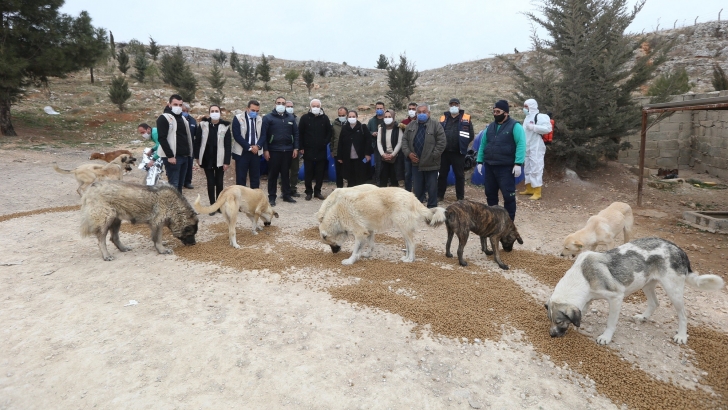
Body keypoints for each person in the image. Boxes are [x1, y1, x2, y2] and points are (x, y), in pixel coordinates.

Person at [476, 100, 525, 221]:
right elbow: (483, 144)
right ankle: (494, 220)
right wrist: (480, 161)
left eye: (498, 111)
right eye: (494, 111)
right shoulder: (490, 127)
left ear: (506, 113)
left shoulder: (515, 126)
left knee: (508, 196)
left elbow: (521, 144)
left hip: (506, 167)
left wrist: (518, 163)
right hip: (490, 166)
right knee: (490, 195)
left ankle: (508, 222)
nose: (495, 114)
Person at [401, 103, 446, 208]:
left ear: (429, 113)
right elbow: (404, 141)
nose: (421, 114)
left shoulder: (436, 125)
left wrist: (433, 155)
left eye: (424, 112)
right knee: (417, 189)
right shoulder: (411, 125)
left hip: (431, 164)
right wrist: (409, 154)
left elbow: (442, 142)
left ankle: (432, 209)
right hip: (416, 164)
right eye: (419, 112)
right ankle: (419, 210)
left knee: (432, 189)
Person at [261, 96, 299, 206]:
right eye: (279, 103)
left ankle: (286, 194)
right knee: (273, 174)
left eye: (283, 103)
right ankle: (272, 197)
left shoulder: (290, 118)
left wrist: (295, 148)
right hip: (273, 151)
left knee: (285, 174)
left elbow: (296, 134)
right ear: (275, 104)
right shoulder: (268, 118)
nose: (281, 105)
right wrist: (266, 150)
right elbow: (264, 135)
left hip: (287, 150)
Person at [194, 105, 231, 215]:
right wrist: (197, 157)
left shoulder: (225, 126)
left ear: (220, 113)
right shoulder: (202, 125)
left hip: (220, 158)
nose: (215, 112)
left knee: (219, 183)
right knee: (210, 182)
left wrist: (226, 161)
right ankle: (212, 206)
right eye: (212, 111)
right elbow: (197, 142)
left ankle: (219, 206)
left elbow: (228, 145)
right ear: (209, 112)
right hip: (206, 158)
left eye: (216, 111)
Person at [437, 98, 474, 201]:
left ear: (459, 106)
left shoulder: (466, 118)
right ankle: (439, 196)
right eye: (452, 104)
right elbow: (438, 133)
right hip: (444, 152)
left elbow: (471, 135)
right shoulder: (443, 118)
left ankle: (460, 197)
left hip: (459, 152)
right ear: (449, 106)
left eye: (456, 104)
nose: (454, 106)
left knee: (459, 175)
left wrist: (463, 144)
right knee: (442, 175)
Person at [156, 94, 193, 192]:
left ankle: (178, 206)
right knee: (174, 186)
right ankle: (171, 207)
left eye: (180, 105)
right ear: (169, 104)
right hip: (173, 157)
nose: (178, 107)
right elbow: (162, 139)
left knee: (180, 185)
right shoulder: (163, 118)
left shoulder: (183, 119)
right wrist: (170, 156)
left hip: (184, 156)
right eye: (175, 104)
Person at [299, 99, 333, 200]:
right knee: (308, 172)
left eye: (317, 106)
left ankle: (317, 191)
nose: (315, 108)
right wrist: (301, 147)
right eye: (313, 106)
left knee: (320, 172)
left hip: (321, 150)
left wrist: (324, 142)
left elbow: (329, 132)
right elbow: (300, 133)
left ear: (320, 107)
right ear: (310, 107)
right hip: (308, 150)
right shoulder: (304, 118)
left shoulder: (325, 118)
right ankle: (308, 192)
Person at [518, 99, 552, 200]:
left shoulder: (540, 116)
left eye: (526, 106)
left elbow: (548, 128)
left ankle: (537, 191)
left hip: (536, 145)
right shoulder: (527, 117)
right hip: (527, 146)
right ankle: (529, 188)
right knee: (528, 167)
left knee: (536, 167)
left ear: (531, 106)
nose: (524, 108)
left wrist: (534, 127)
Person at [231, 100, 263, 188]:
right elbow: (237, 135)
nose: (255, 113)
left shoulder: (260, 119)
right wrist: (249, 147)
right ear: (247, 108)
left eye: (257, 111)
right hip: (242, 152)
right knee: (241, 178)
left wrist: (258, 146)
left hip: (256, 152)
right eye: (253, 110)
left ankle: (254, 199)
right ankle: (241, 200)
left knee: (255, 178)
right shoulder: (238, 118)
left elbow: (263, 135)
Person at [337, 110, 372, 187]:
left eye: (353, 116)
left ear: (357, 117)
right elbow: (340, 143)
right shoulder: (344, 128)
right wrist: (340, 156)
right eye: (350, 117)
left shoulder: (363, 127)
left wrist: (367, 153)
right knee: (350, 178)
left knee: (361, 178)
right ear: (347, 117)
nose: (351, 118)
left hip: (361, 158)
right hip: (348, 158)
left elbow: (368, 141)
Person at [377, 110, 403, 187]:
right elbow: (379, 142)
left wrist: (393, 154)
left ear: (393, 117)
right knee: (383, 179)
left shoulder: (398, 128)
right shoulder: (381, 128)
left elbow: (399, 142)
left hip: (395, 158)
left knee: (394, 179)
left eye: (389, 117)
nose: (387, 118)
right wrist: (383, 154)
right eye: (385, 117)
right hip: (383, 157)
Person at [398, 102, 418, 192]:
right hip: (407, 152)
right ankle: (408, 192)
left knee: (419, 174)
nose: (411, 111)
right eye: (409, 109)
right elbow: (402, 138)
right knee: (408, 174)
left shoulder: (421, 120)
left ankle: (421, 193)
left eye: (413, 109)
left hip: (419, 152)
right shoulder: (403, 122)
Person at [284, 100, 302, 197]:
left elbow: (299, 134)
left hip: (295, 148)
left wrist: (298, 147)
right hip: (284, 148)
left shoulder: (297, 119)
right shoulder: (281, 118)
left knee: (294, 170)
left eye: (291, 106)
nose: (290, 108)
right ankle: (284, 189)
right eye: (288, 106)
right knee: (283, 170)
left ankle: (293, 189)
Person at [367, 101, 386, 184]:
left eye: (381, 108)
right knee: (378, 164)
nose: (379, 110)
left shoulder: (387, 119)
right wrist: (372, 133)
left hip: (386, 145)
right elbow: (367, 132)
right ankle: (377, 180)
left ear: (384, 109)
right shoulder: (371, 121)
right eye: (377, 108)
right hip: (375, 145)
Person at [330, 106, 348, 188]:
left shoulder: (350, 124)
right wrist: (332, 150)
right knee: (339, 172)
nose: (341, 117)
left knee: (348, 171)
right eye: (339, 115)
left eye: (343, 115)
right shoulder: (334, 125)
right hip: (337, 152)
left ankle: (350, 189)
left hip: (348, 152)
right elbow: (332, 138)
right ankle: (339, 188)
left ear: (346, 115)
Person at [182, 102, 197, 189]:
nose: (185, 112)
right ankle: (180, 182)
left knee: (189, 164)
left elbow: (196, 134)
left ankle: (187, 182)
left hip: (190, 147)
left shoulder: (192, 121)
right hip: (180, 147)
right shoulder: (177, 120)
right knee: (181, 165)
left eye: (186, 111)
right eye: (183, 110)